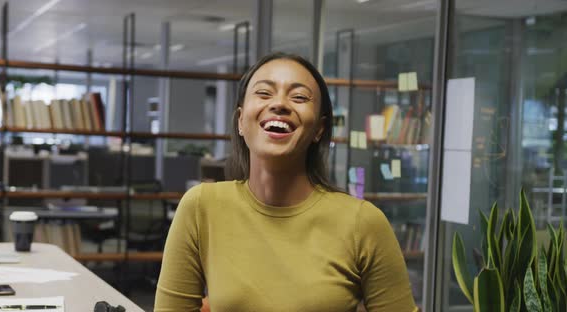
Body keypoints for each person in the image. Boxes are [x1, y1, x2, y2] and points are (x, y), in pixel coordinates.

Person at [154, 52, 417, 312]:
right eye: (264, 93)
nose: (279, 104)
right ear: (241, 122)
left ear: (320, 130)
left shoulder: (364, 223)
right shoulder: (201, 207)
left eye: (299, 97)